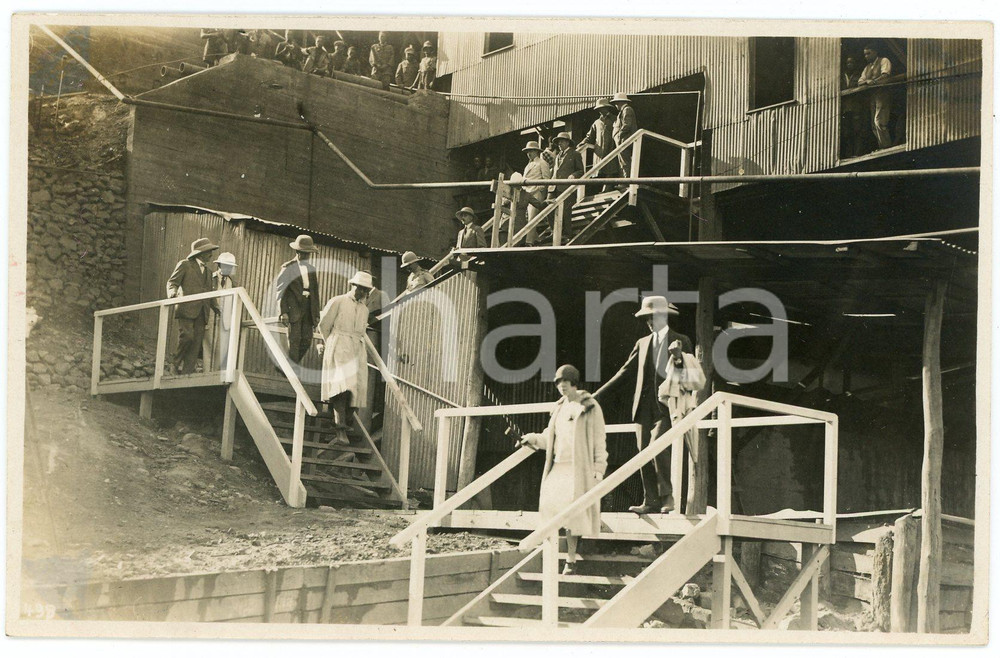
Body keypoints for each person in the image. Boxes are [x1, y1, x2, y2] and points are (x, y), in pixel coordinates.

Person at [594, 296, 695, 514]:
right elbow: (624, 372)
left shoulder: (681, 340)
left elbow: (692, 376)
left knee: (657, 446)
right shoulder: (642, 343)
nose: (650, 321)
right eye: (647, 318)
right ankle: (650, 500)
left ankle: (667, 497)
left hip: (667, 406)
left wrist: (677, 358)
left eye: (654, 316)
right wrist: (596, 396)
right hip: (642, 407)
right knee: (642, 452)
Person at [514, 365, 607, 575]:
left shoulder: (589, 406)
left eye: (566, 381)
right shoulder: (558, 408)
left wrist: (598, 469)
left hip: (579, 468)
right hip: (558, 466)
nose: (562, 385)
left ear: (574, 382)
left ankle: (571, 560)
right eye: (558, 382)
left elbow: (599, 439)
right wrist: (534, 438)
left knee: (573, 514)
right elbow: (550, 437)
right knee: (549, 508)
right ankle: (550, 557)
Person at [317, 270, 374, 446]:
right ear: (353, 286)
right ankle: (339, 427)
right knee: (342, 384)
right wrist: (330, 344)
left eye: (365, 290)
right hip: (339, 345)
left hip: (357, 348)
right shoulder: (338, 301)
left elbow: (361, 332)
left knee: (357, 386)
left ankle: (347, 423)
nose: (362, 293)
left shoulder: (364, 309)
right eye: (359, 288)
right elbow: (323, 325)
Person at [166, 238, 220, 375]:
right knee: (187, 336)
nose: (211, 255)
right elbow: (172, 282)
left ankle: (187, 373)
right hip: (186, 309)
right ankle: (175, 362)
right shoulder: (185, 265)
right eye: (209, 252)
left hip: (202, 312)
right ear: (200, 253)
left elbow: (210, 292)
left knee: (196, 344)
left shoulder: (208, 271)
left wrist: (217, 308)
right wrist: (172, 293)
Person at [276, 235, 322, 365]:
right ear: (297, 252)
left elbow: (315, 293)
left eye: (309, 254)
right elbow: (281, 290)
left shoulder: (311, 270)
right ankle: (291, 371)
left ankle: (289, 365)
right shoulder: (287, 267)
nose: (307, 257)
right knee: (294, 340)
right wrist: (283, 312)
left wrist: (316, 315)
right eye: (304, 253)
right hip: (294, 308)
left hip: (308, 309)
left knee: (307, 340)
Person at [548, 131, 584, 239]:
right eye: (558, 142)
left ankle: (567, 233)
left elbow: (581, 171)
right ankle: (553, 231)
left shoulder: (575, 154)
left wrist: (573, 175)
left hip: (566, 187)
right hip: (553, 186)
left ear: (568, 143)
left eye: (562, 141)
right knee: (548, 208)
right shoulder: (557, 155)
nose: (559, 144)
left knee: (566, 211)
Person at [857, 44, 893, 150]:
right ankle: (882, 146)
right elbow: (860, 81)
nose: (866, 56)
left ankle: (886, 146)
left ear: (875, 52)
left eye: (868, 53)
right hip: (873, 96)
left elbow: (885, 75)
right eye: (865, 54)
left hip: (883, 94)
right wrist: (867, 81)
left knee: (879, 121)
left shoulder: (884, 61)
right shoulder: (866, 68)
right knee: (873, 124)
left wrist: (874, 82)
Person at [579, 98, 621, 185]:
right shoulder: (597, 122)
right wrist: (582, 143)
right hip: (600, 150)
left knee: (611, 169)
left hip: (611, 148)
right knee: (600, 171)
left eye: (602, 108)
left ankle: (607, 189)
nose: (601, 111)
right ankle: (603, 190)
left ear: (607, 108)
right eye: (599, 109)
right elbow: (589, 136)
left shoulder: (615, 119)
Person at [520, 140, 552, 245]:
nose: (529, 154)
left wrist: (538, 190)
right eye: (528, 152)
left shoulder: (542, 163)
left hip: (536, 193)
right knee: (525, 218)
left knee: (532, 218)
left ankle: (529, 242)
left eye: (531, 151)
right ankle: (537, 239)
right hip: (526, 194)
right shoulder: (528, 165)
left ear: (537, 152)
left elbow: (546, 180)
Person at [212, 252, 238, 370]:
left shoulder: (233, 283)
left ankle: (215, 375)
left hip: (225, 320)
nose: (228, 269)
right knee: (209, 346)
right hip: (210, 318)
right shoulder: (211, 279)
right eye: (226, 266)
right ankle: (207, 372)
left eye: (230, 267)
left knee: (221, 348)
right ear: (219, 266)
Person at [840, 56, 865, 158]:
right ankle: (848, 154)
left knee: (857, 131)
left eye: (852, 62)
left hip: (856, 108)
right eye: (848, 62)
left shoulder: (859, 75)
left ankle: (857, 153)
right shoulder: (842, 76)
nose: (850, 64)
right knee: (847, 133)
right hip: (845, 109)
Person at [611, 92, 638, 178]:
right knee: (622, 161)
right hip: (622, 140)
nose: (615, 105)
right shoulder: (623, 111)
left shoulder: (627, 110)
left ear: (619, 102)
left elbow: (627, 125)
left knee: (625, 161)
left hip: (624, 140)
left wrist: (619, 135)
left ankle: (626, 180)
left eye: (616, 103)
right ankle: (624, 179)